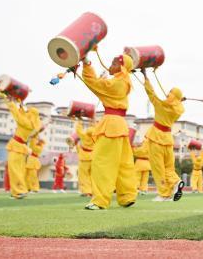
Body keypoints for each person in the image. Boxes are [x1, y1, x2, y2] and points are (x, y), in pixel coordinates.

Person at [78, 52, 137, 210]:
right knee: (123, 164)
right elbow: (101, 86)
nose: (110, 66)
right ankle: (127, 196)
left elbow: (94, 83)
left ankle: (100, 201)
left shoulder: (117, 83)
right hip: (120, 125)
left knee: (102, 163)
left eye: (114, 64)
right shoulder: (123, 82)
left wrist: (86, 63)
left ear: (121, 68)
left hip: (111, 125)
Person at [141, 71, 184, 202]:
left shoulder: (160, 105)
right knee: (169, 168)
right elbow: (175, 104)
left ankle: (163, 194)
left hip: (156, 138)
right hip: (168, 139)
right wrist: (178, 100)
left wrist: (145, 77)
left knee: (158, 168)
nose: (167, 94)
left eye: (170, 92)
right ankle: (176, 182)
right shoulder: (178, 110)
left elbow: (151, 94)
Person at [5, 98, 40, 200]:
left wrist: (10, 102)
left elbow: (17, 115)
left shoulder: (27, 123)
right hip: (20, 147)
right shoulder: (32, 124)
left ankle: (19, 191)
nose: (27, 112)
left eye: (29, 111)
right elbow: (22, 114)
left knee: (14, 170)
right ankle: (19, 191)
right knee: (19, 170)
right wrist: (20, 104)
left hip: (17, 147)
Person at [74, 120, 94, 197]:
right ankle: (92, 191)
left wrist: (79, 121)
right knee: (92, 176)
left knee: (83, 175)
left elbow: (78, 130)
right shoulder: (96, 137)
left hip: (84, 157)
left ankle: (86, 191)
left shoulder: (84, 135)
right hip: (93, 156)